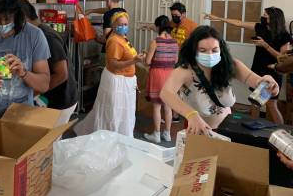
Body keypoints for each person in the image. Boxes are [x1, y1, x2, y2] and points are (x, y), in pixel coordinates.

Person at [160, 26, 279, 134]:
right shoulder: (185, 71)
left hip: (228, 129)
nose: (209, 54)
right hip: (199, 130)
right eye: (203, 50)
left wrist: (267, 83)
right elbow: (166, 93)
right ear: (194, 50)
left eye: (214, 50)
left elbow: (254, 79)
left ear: (221, 49)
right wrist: (191, 114)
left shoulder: (230, 65)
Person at [205, 6, 291, 124]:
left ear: (274, 18)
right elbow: (239, 23)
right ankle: (252, 129)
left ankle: (282, 131)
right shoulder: (260, 27)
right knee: (255, 102)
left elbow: (282, 59)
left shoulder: (284, 35)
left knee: (271, 104)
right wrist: (218, 18)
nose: (263, 17)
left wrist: (265, 45)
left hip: (273, 71)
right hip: (258, 68)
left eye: (266, 15)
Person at [75, 12, 145, 137]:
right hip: (117, 81)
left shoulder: (123, 37)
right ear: (114, 25)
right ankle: (111, 137)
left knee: (124, 113)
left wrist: (137, 57)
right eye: (121, 24)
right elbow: (113, 64)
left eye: (126, 24)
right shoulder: (114, 41)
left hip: (126, 81)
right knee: (114, 113)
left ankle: (122, 136)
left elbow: (126, 55)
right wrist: (134, 61)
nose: (124, 26)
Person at [21, 0, 78, 115]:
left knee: (51, 133)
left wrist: (35, 92)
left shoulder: (47, 36)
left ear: (24, 19)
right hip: (48, 98)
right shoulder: (33, 35)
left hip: (61, 99)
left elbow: (62, 74)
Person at [143, 15, 179, 144]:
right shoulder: (175, 43)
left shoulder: (155, 42)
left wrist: (145, 56)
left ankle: (156, 134)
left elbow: (147, 62)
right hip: (170, 75)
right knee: (168, 106)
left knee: (157, 106)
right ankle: (167, 134)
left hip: (157, 74)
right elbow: (176, 61)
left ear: (158, 27)